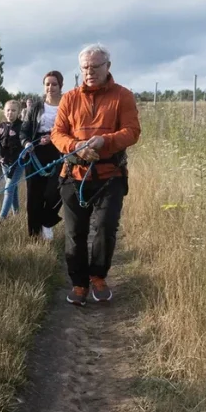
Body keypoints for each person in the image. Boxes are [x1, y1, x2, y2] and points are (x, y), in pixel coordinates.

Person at [51, 44, 141, 306]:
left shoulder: (122, 96)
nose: (89, 71)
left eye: (95, 66)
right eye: (85, 67)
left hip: (110, 176)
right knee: (75, 233)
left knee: (104, 229)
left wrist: (104, 141)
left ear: (108, 67)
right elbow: (58, 133)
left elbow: (132, 131)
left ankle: (98, 277)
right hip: (73, 175)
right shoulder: (69, 99)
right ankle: (79, 284)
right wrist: (75, 147)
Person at [20, 71, 65, 240]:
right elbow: (24, 131)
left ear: (60, 85)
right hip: (36, 151)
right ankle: (34, 235)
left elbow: (71, 129)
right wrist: (26, 143)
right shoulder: (36, 107)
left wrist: (53, 137)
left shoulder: (66, 105)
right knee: (34, 195)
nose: (50, 87)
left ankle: (47, 221)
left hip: (59, 150)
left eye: (54, 84)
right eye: (47, 84)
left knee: (56, 191)